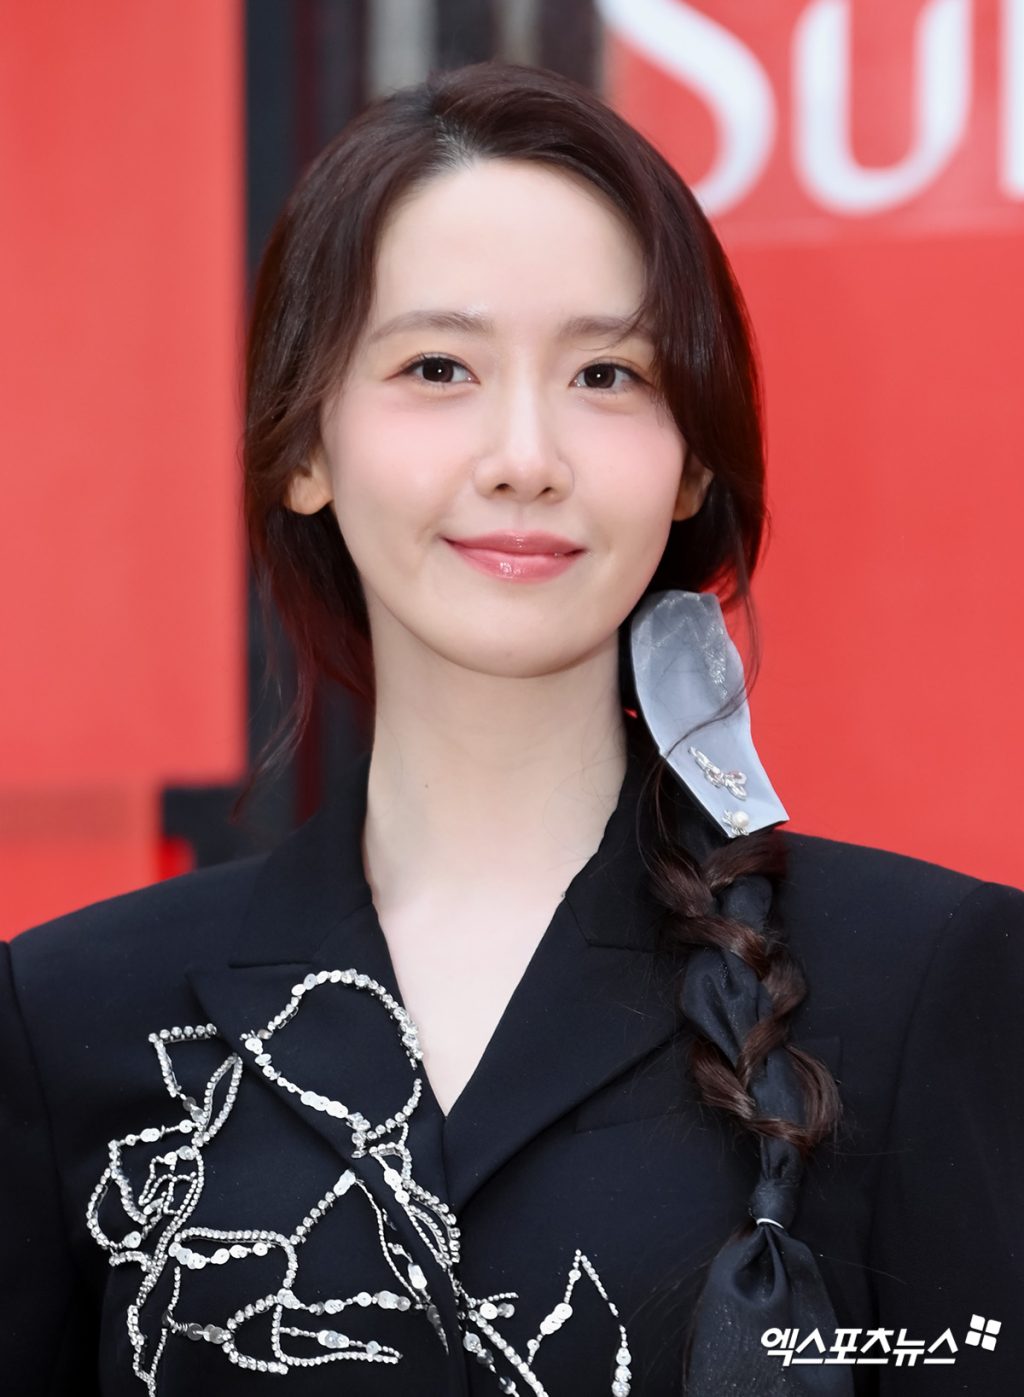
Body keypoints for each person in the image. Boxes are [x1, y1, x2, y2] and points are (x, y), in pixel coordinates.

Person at [2, 59, 1021, 1397]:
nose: (526, 456)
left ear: (690, 462)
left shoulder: (925, 979)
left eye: (607, 372)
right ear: (305, 448)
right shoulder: (68, 1014)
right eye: (439, 368)